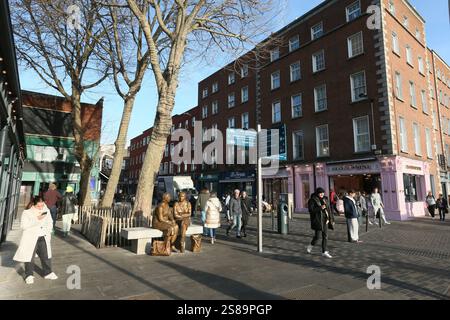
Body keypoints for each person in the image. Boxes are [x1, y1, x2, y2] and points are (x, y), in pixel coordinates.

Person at [13, 196, 58, 284]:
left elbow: (50, 222)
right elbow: (23, 226)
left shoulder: (46, 211)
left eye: (42, 205)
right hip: (31, 237)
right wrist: (36, 219)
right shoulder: (27, 212)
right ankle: (29, 275)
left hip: (43, 236)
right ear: (33, 204)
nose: (41, 207)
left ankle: (48, 272)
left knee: (46, 256)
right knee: (29, 256)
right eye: (39, 206)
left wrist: (48, 231)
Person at [307, 188, 334, 258]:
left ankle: (324, 251)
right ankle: (311, 245)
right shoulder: (312, 200)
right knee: (317, 237)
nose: (322, 194)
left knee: (325, 236)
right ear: (317, 193)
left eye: (323, 193)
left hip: (325, 220)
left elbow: (329, 210)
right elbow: (311, 210)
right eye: (320, 193)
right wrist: (320, 208)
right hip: (318, 220)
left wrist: (331, 219)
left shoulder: (325, 199)